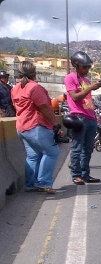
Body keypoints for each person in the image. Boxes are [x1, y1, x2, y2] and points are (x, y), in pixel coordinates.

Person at [11, 61, 61, 194]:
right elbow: (44, 107)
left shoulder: (15, 88)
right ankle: (43, 183)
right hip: (36, 126)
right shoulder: (35, 88)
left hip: (22, 127)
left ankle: (30, 184)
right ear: (34, 73)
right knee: (52, 152)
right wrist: (55, 123)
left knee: (33, 156)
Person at [65, 51, 101, 185]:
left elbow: (87, 99)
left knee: (88, 148)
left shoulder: (86, 80)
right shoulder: (70, 78)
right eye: (85, 67)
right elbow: (75, 97)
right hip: (78, 116)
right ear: (76, 65)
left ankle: (85, 174)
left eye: (88, 67)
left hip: (90, 116)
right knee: (77, 147)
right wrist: (91, 87)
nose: (87, 70)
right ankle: (76, 174)